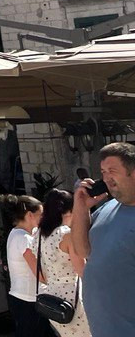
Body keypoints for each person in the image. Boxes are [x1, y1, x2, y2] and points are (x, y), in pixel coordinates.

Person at [72, 142, 135, 337]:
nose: (106, 177)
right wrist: (81, 207)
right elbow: (82, 251)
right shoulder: (107, 209)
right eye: (103, 171)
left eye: (112, 171)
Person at [36, 189, 90, 337]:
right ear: (69, 210)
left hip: (53, 299)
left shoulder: (39, 235)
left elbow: (41, 272)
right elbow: (82, 270)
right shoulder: (66, 235)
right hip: (74, 298)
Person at [3, 195, 48, 337]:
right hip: (29, 300)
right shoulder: (24, 239)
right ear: (30, 215)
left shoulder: (15, 233)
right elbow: (40, 274)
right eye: (40, 215)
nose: (43, 218)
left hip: (22, 297)